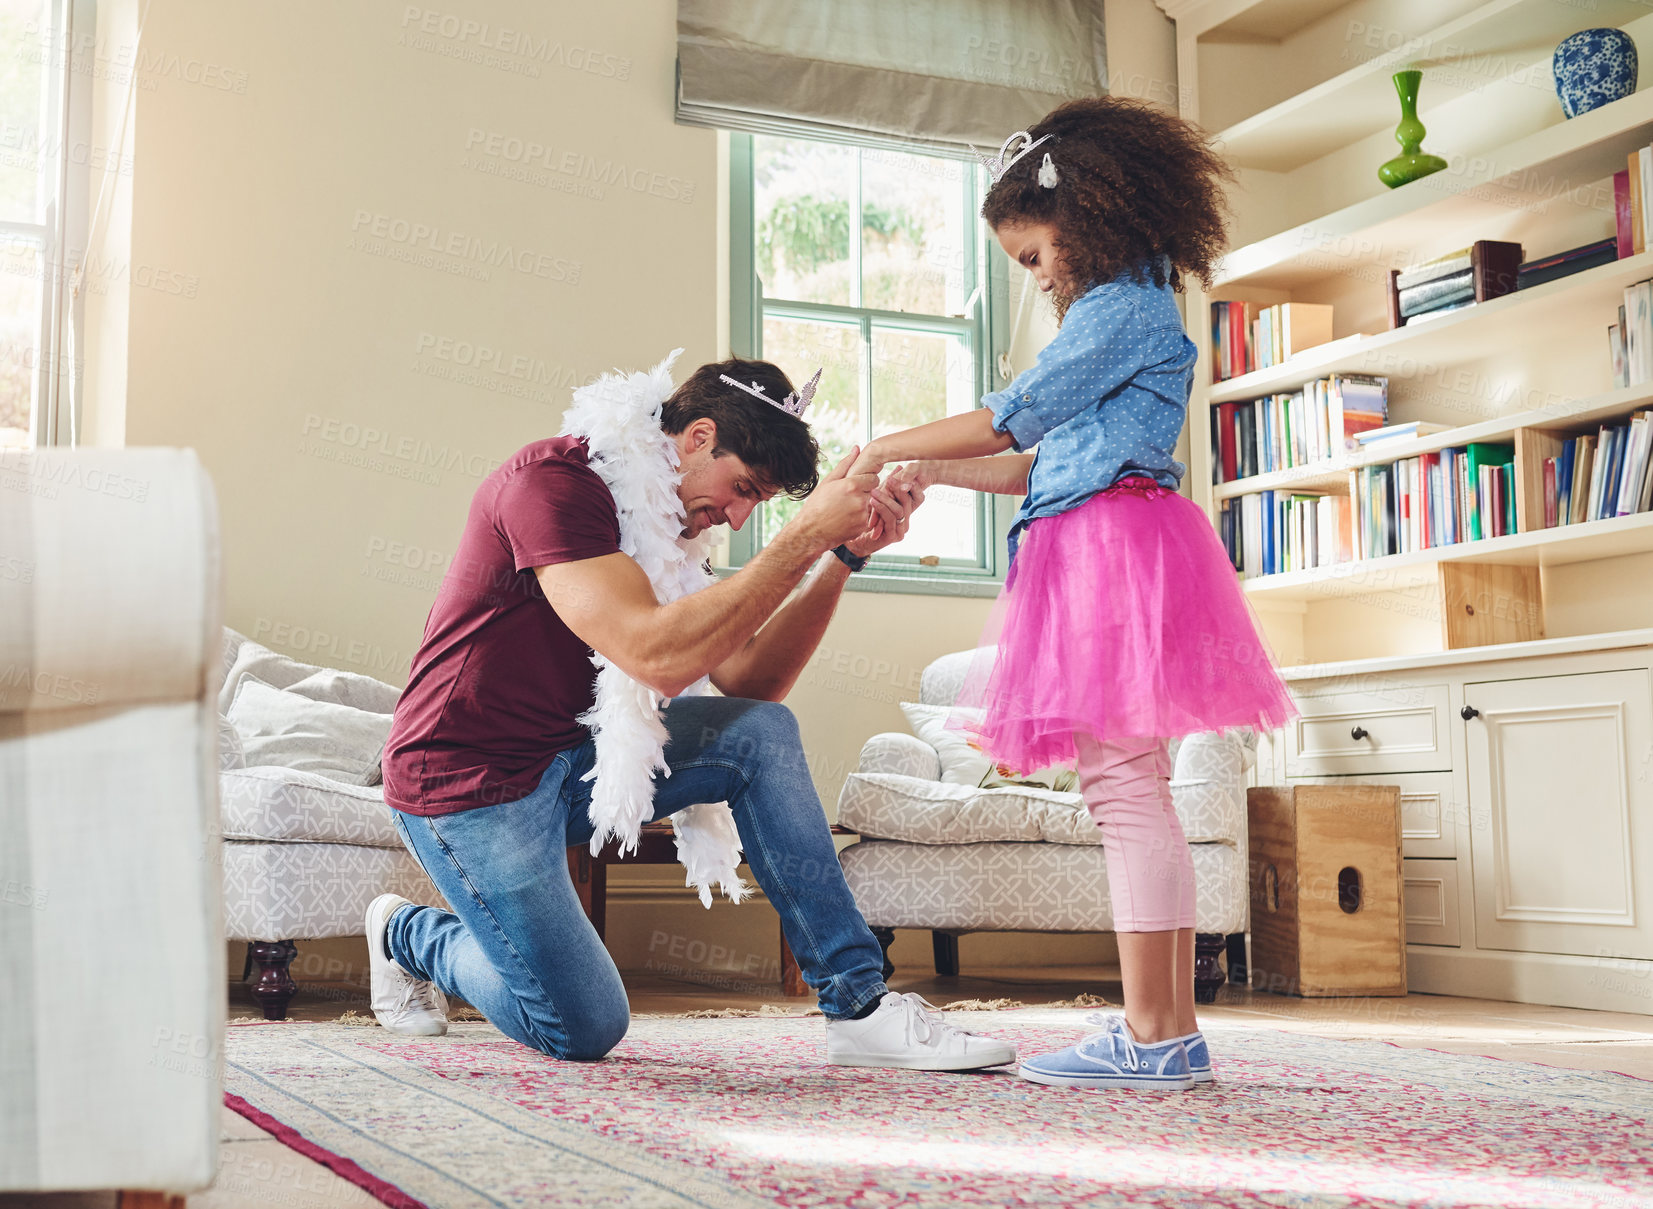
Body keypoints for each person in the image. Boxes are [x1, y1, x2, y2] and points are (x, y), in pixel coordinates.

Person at [368, 353, 1016, 1073]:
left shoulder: (671, 534)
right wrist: (798, 535)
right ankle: (407, 933)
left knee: (761, 736)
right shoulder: (551, 484)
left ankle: (858, 1003)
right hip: (467, 781)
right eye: (741, 489)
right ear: (696, 435)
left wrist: (838, 556)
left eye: (758, 504)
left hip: (572, 756)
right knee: (581, 1025)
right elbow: (656, 654)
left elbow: (747, 682)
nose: (737, 516)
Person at [849, 97, 1298, 1090]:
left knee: (1124, 791)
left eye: (1034, 254)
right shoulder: (1127, 310)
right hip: (1101, 530)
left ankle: (1152, 1036)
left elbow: (1012, 421)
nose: (1036, 274)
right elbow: (1036, 458)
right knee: (1129, 789)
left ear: (1089, 219)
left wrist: (886, 444)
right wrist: (935, 475)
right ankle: (1163, 1031)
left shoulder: (1119, 308)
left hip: (1105, 547)